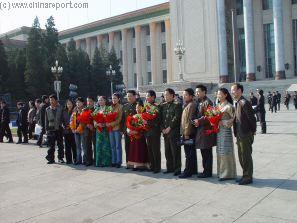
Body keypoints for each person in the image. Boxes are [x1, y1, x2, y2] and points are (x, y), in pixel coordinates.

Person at [231, 83, 256, 185]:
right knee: (241, 156)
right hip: (240, 134)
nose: (232, 92)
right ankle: (245, 175)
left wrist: (252, 131)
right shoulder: (237, 102)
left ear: (239, 91)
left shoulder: (244, 102)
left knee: (246, 156)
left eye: (234, 90)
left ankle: (248, 177)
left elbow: (252, 119)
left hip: (245, 133)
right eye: (231, 90)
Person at [193, 85, 216, 178]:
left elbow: (209, 116)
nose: (196, 93)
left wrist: (199, 121)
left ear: (204, 92)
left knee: (207, 152)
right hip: (200, 131)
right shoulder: (199, 102)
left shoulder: (208, 102)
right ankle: (205, 170)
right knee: (203, 152)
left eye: (198, 92)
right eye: (196, 92)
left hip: (206, 131)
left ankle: (207, 172)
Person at [161, 88, 182, 176]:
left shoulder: (177, 105)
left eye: (167, 95)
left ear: (172, 95)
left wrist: (169, 127)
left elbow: (176, 118)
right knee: (167, 151)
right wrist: (162, 128)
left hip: (173, 132)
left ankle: (177, 169)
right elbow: (161, 118)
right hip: (165, 132)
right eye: (164, 95)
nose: (165, 96)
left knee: (175, 151)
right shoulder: (163, 105)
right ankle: (169, 168)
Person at [216, 88, 237, 181]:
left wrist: (223, 122)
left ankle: (228, 174)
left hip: (226, 131)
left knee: (226, 151)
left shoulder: (229, 106)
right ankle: (221, 172)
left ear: (225, 95)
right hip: (219, 131)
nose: (218, 96)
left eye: (220, 94)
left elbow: (234, 119)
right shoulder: (218, 106)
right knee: (219, 151)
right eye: (217, 94)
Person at [179, 88, 197, 178]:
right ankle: (193, 170)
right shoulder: (187, 104)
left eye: (185, 94)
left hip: (188, 133)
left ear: (191, 96)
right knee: (191, 153)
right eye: (183, 94)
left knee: (188, 154)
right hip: (187, 132)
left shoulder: (192, 105)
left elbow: (190, 120)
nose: (183, 96)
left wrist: (186, 133)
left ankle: (188, 171)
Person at [127, 101, 150, 170]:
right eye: (136, 108)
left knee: (140, 150)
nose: (137, 109)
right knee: (134, 150)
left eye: (139, 108)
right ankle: (135, 165)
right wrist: (129, 131)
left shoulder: (144, 116)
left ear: (142, 108)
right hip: (133, 137)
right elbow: (129, 125)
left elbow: (144, 127)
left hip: (141, 136)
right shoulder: (133, 116)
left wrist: (137, 131)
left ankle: (142, 165)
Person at [144, 90, 161, 174]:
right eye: (146, 96)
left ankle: (157, 167)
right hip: (147, 131)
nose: (146, 98)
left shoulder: (157, 106)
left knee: (155, 150)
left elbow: (158, 121)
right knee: (149, 149)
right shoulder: (146, 106)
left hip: (155, 131)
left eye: (148, 96)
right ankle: (152, 165)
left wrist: (148, 122)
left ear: (153, 97)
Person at [45, 94, 64, 164]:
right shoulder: (47, 109)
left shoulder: (60, 108)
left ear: (56, 101)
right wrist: (46, 130)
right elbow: (46, 121)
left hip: (59, 129)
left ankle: (60, 158)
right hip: (50, 130)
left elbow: (63, 118)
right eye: (50, 100)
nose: (51, 101)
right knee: (51, 146)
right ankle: (51, 159)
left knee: (60, 145)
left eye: (52, 100)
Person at [106, 93, 123, 168]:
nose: (113, 100)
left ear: (119, 99)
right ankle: (113, 161)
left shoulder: (120, 107)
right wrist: (106, 123)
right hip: (110, 129)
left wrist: (111, 124)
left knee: (117, 146)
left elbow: (119, 119)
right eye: (112, 98)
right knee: (112, 146)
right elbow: (106, 116)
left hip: (117, 128)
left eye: (115, 98)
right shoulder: (109, 107)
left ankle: (118, 161)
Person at [94, 96, 111, 167]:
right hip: (98, 130)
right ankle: (99, 162)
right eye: (99, 100)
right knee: (98, 146)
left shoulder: (108, 109)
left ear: (105, 101)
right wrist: (96, 124)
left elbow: (110, 118)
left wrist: (104, 124)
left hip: (106, 130)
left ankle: (106, 162)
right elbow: (94, 119)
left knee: (106, 146)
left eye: (101, 100)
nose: (100, 101)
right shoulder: (96, 109)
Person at [122, 90, 137, 166]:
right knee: (127, 147)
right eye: (128, 96)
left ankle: (136, 164)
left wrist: (137, 130)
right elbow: (123, 119)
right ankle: (129, 163)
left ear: (135, 96)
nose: (129, 98)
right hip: (127, 131)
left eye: (130, 96)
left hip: (136, 131)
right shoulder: (125, 106)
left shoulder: (138, 106)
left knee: (136, 148)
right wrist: (123, 130)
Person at [70, 97, 85, 165]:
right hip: (75, 131)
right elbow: (71, 121)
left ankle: (85, 160)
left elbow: (83, 122)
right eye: (77, 102)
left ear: (82, 103)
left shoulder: (84, 111)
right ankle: (79, 160)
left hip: (82, 131)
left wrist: (77, 130)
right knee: (78, 146)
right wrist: (73, 129)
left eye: (79, 102)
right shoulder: (74, 111)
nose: (78, 103)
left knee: (83, 146)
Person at [62, 99, 77, 164]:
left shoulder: (75, 111)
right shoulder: (64, 111)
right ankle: (68, 160)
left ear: (73, 104)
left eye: (70, 103)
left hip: (73, 131)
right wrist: (63, 125)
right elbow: (62, 120)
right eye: (68, 104)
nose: (69, 105)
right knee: (67, 146)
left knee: (74, 146)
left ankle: (75, 159)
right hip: (66, 131)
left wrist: (71, 126)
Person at [83, 96, 96, 166]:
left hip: (95, 130)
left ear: (93, 102)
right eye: (88, 101)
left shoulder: (96, 109)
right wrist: (87, 125)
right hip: (86, 130)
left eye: (90, 101)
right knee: (87, 146)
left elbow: (98, 120)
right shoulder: (84, 110)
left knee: (95, 145)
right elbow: (82, 120)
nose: (89, 103)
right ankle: (88, 160)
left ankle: (96, 160)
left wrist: (93, 126)